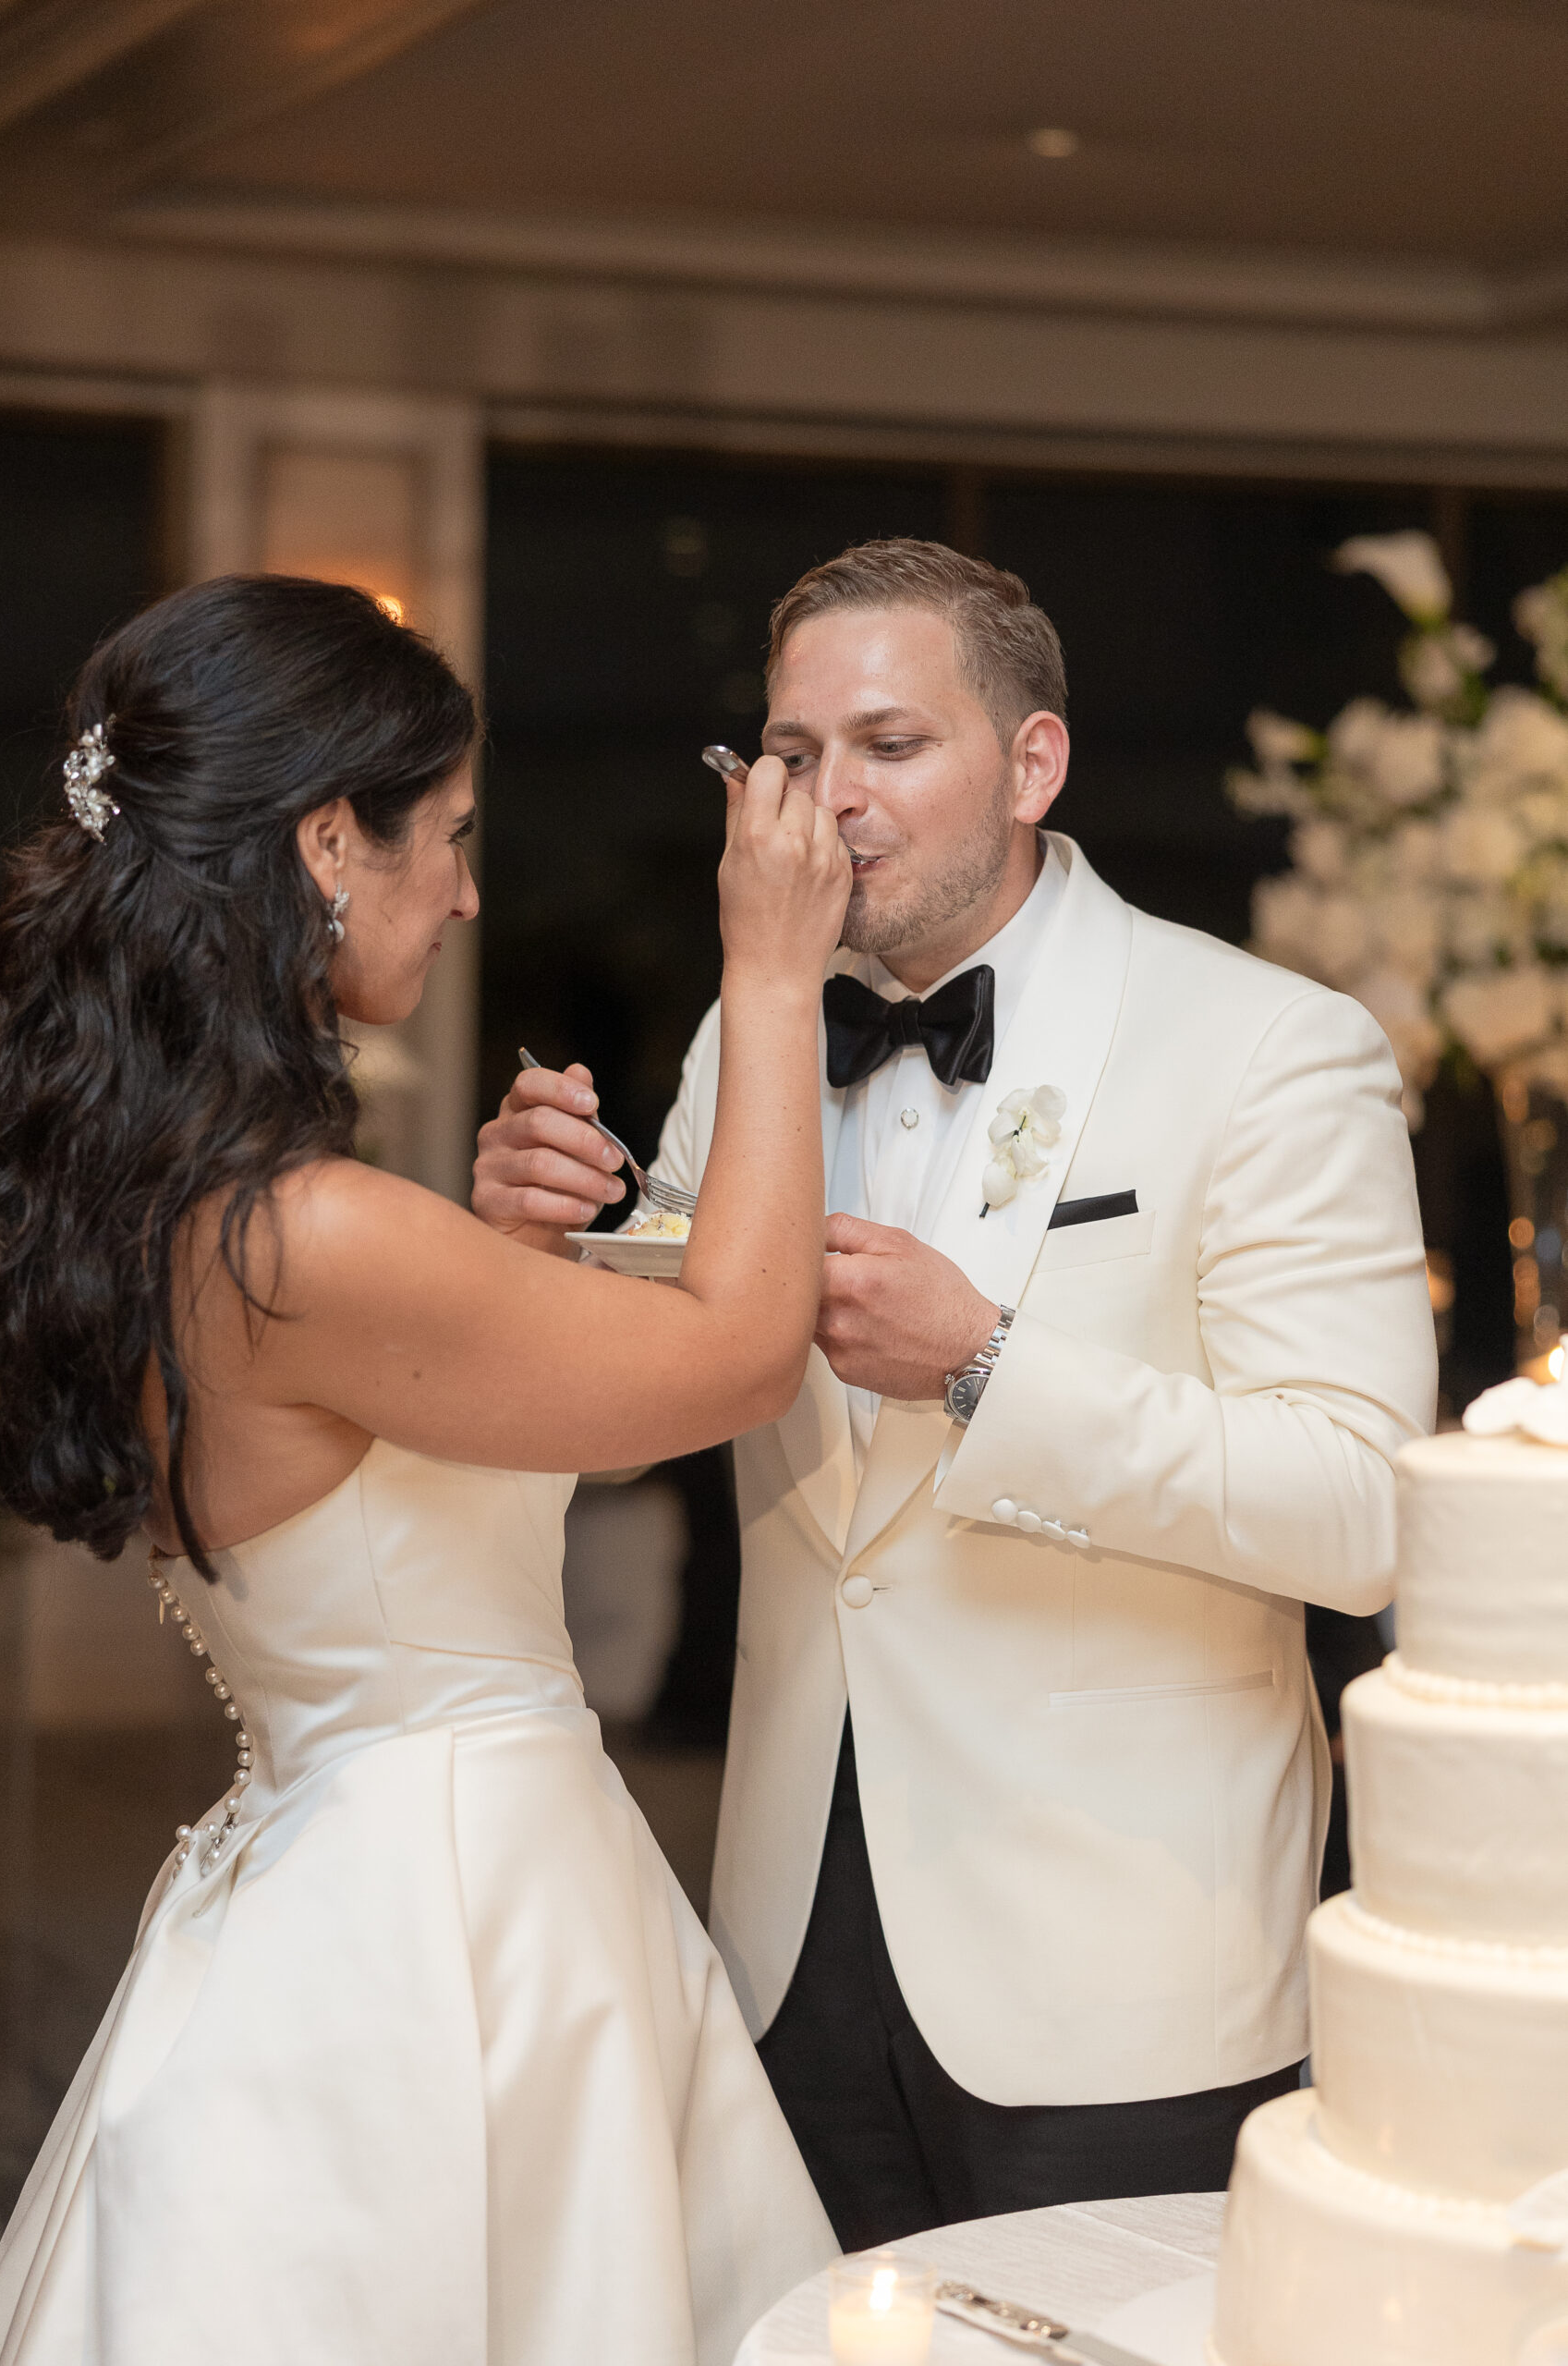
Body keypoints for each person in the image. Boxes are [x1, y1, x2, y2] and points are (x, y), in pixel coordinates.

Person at [475, 539, 1439, 2250]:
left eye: (890, 747)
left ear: (1033, 762)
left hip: (1127, 1974)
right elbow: (671, 1394)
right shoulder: (744, 1036)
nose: (828, 800)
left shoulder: (1270, 1046)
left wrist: (989, 1365)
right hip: (785, 1950)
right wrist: (541, 1260)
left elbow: (1365, 1515)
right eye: (790, 755)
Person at [0, 575, 845, 2364]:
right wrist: (770, 971)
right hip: (451, 1934)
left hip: (347, 1867)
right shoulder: (307, 1230)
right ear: (324, 841)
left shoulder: (194, 1204)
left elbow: (365, 1466)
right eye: (444, 838)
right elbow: (743, 1349)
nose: (464, 888)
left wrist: (490, 1260)